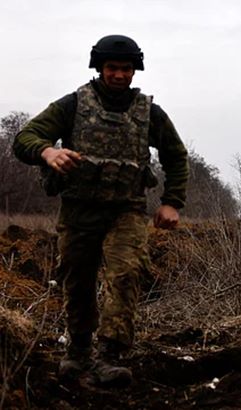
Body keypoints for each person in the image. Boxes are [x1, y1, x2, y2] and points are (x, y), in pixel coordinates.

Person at [13, 34, 189, 386]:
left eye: (126, 69)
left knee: (125, 274)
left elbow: (176, 156)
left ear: (135, 71)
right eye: (112, 68)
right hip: (79, 211)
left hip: (127, 211)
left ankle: (111, 355)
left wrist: (172, 202)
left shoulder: (149, 114)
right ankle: (78, 351)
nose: (120, 75)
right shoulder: (72, 106)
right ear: (100, 68)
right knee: (77, 281)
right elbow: (25, 138)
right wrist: (48, 152)